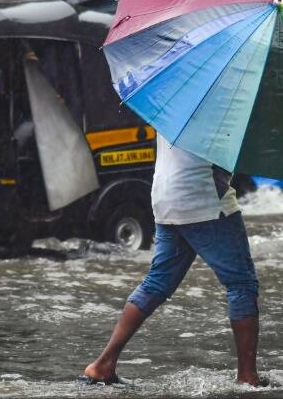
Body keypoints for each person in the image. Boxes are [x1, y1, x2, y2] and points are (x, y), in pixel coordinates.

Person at [82, 134, 262, 386]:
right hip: (204, 200)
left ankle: (103, 364)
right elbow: (225, 152)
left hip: (166, 196)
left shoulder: (174, 97)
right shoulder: (224, 103)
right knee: (242, 284)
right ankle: (247, 377)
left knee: (156, 284)